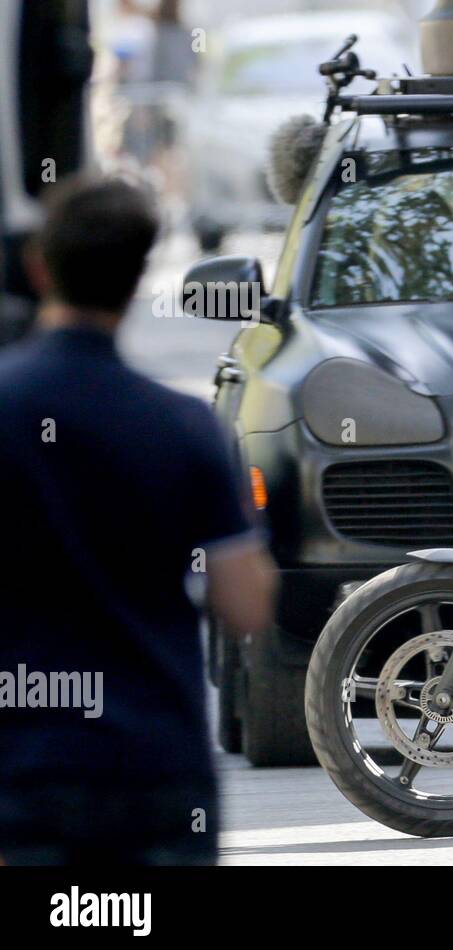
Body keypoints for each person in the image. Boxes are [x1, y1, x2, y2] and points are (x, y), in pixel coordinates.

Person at [0, 175, 278, 864]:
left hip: (24, 765)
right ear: (136, 281)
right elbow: (245, 605)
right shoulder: (182, 426)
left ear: (39, 265)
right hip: (155, 763)